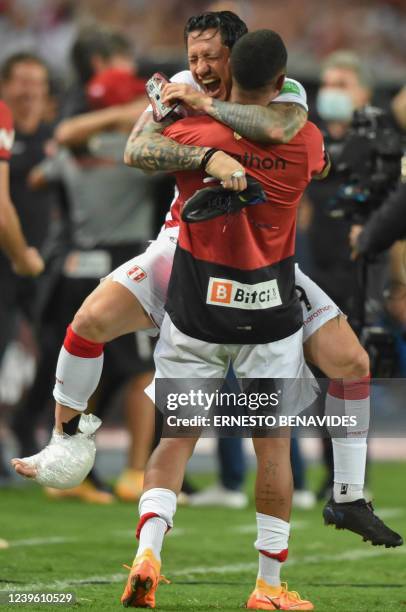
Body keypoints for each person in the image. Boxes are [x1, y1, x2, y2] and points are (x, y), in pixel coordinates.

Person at [12, 11, 401, 548]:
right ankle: (68, 440)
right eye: (192, 59)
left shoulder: (277, 94)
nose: (199, 69)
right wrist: (208, 156)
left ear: (237, 57)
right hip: (186, 246)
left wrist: (204, 112)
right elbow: (136, 151)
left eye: (210, 59)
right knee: (91, 321)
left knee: (350, 364)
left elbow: (281, 127)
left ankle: (349, 496)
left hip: (265, 260)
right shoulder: (191, 93)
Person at [121, 28, 326, 610]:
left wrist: (195, 114)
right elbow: (315, 153)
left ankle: (148, 552)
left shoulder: (196, 130)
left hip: (195, 310)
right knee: (274, 450)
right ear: (284, 80)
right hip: (268, 313)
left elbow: (138, 150)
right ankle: (266, 586)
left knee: (176, 439)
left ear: (228, 67)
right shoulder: (302, 138)